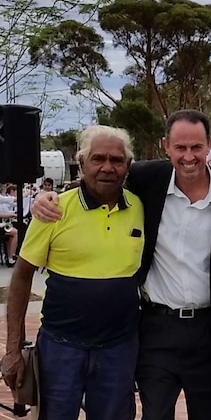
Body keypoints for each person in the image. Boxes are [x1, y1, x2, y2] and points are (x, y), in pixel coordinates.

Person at [31, 110, 211, 420]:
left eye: (196, 148)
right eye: (180, 148)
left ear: (210, 147)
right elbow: (98, 181)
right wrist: (48, 198)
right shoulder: (145, 180)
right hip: (156, 331)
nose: (188, 156)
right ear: (166, 146)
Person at [1, 125, 143, 419]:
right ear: (81, 164)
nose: (107, 167)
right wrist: (13, 349)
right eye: (98, 158)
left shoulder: (140, 207)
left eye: (117, 160)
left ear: (128, 166)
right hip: (60, 349)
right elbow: (22, 276)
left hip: (118, 349)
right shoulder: (53, 210)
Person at [0, 184, 19, 266]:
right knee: (15, 233)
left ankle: (9, 256)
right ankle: (11, 258)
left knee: (9, 236)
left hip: (2, 223)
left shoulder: (2, 197)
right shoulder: (1, 198)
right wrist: (13, 215)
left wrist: (12, 214)